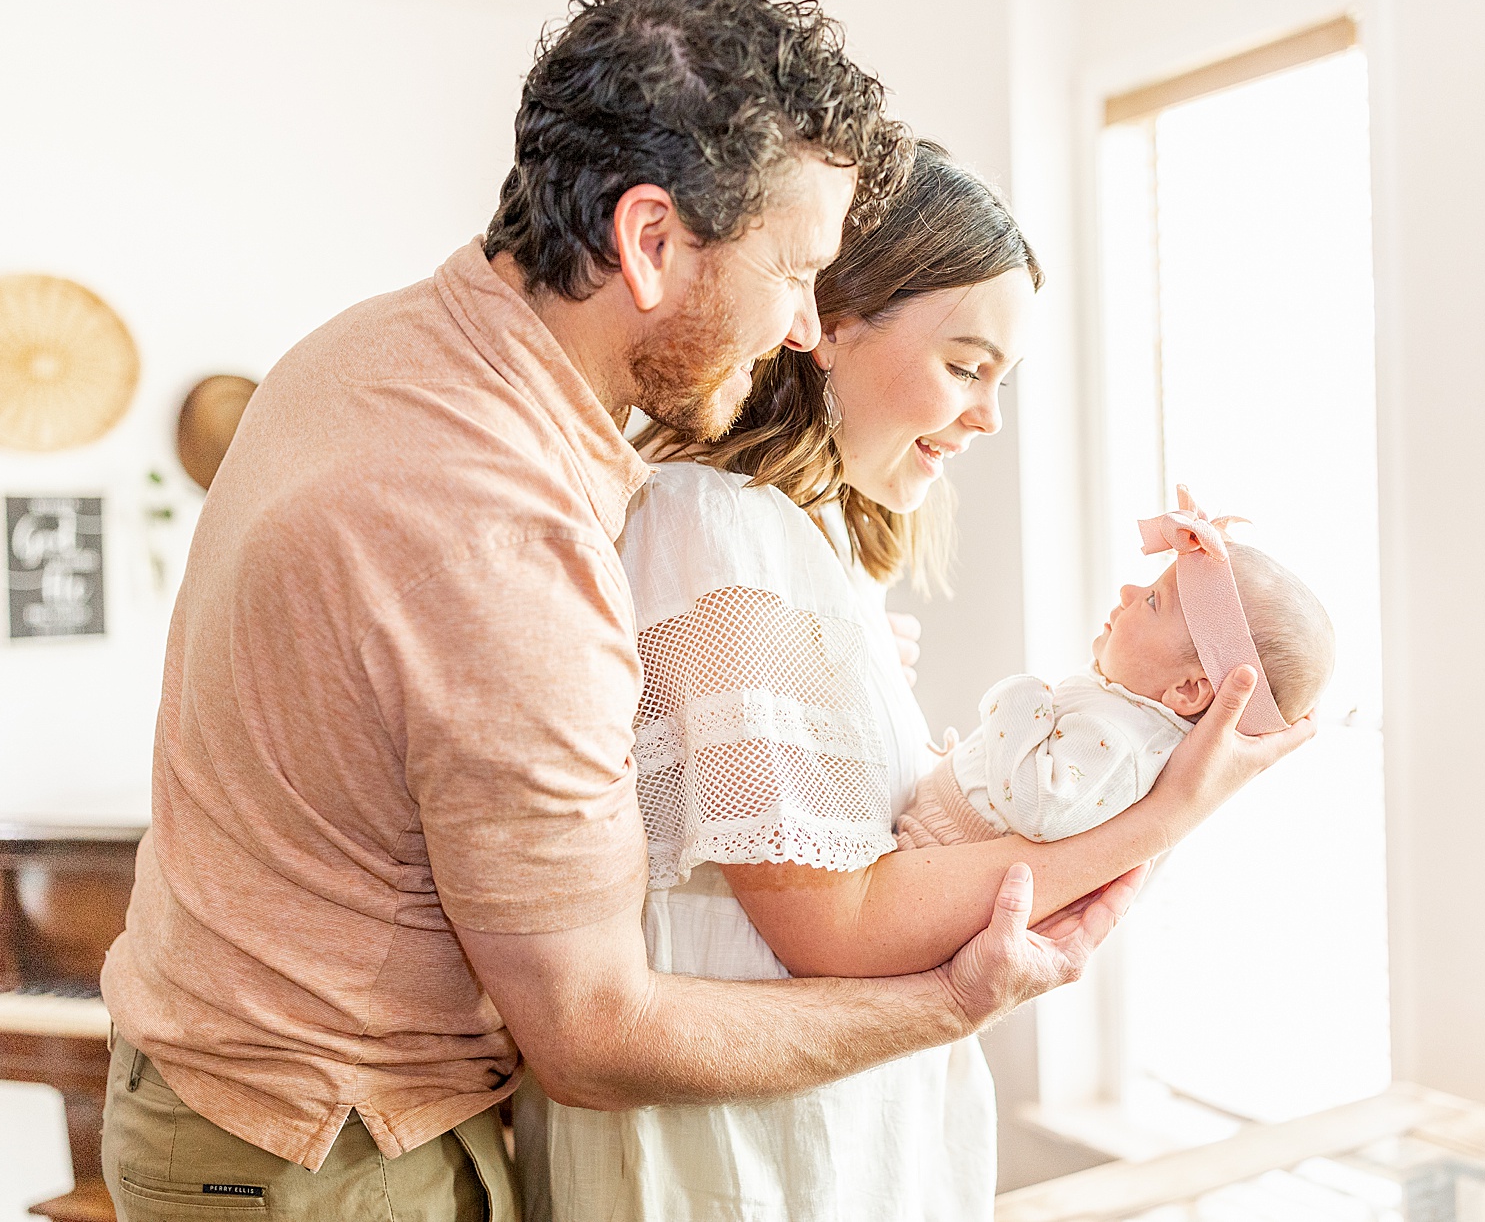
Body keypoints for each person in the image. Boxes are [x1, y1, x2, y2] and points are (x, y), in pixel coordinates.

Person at [97, 0, 1177, 1221]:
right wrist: (957, 999)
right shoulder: (503, 536)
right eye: (793, 272)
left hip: (258, 1088)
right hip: (313, 1141)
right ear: (649, 241)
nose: (795, 330)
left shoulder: (383, 346)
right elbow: (595, 1036)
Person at [519, 142, 1316, 1221]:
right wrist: (1158, 820)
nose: (987, 416)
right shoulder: (721, 526)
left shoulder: (806, 546)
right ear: (830, 323)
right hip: (745, 1151)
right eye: (965, 364)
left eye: (1002, 378)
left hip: (810, 1122)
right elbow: (832, 928)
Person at [896, 488, 1335, 849]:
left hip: (935, 848)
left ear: (1186, 690)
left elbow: (1039, 808)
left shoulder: (1122, 740)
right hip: (935, 834)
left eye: (1152, 601)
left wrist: (1017, 697)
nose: (1128, 591)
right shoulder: (1122, 711)